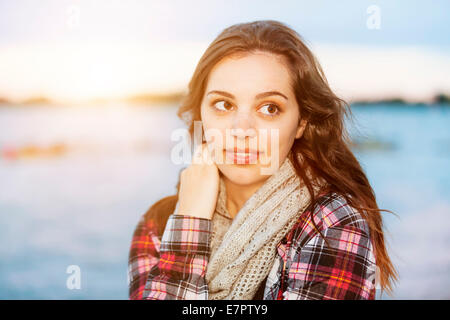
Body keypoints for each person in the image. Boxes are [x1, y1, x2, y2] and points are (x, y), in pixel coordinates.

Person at [128, 20, 398, 300]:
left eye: (269, 108)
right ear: (201, 113)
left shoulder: (333, 222)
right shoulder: (158, 224)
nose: (241, 129)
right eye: (224, 105)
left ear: (301, 122)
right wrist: (191, 219)